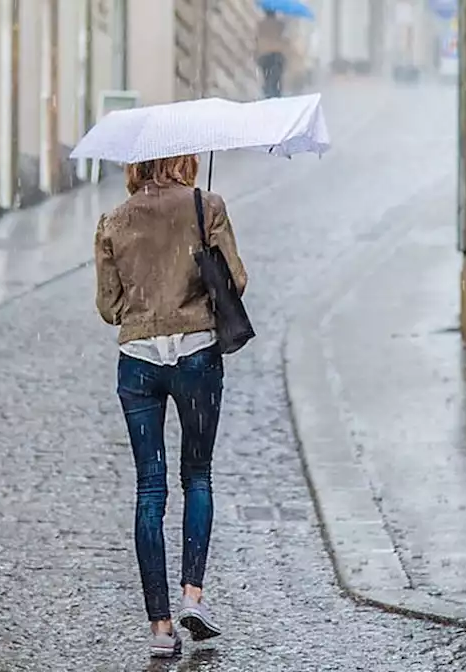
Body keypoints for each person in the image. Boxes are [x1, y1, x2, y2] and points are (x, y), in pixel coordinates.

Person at [94, 154, 248, 658]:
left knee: (149, 488)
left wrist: (145, 301)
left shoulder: (113, 221)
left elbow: (108, 307)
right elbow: (236, 281)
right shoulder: (208, 207)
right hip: (196, 356)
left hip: (137, 361)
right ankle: (192, 596)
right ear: (184, 159)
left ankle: (160, 628)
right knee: (197, 475)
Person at [256, 9, 288, 98]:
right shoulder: (280, 24)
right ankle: (275, 96)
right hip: (276, 55)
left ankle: (268, 96)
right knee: (276, 80)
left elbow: (257, 39)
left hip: (264, 55)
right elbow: (284, 38)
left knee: (267, 79)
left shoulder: (260, 25)